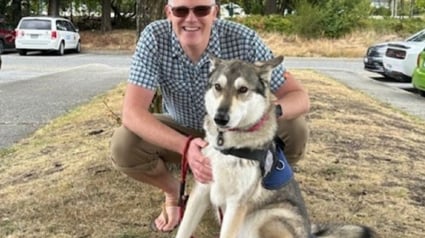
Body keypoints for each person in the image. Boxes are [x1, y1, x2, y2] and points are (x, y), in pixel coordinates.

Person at [110, 0, 310, 233]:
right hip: (181, 127)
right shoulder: (154, 37)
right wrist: (184, 146)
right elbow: (132, 113)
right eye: (181, 10)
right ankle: (174, 192)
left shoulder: (243, 39)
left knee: (295, 128)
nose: (191, 19)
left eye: (201, 10)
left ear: (215, 11)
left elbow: (299, 97)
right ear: (168, 13)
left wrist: (266, 115)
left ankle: (262, 187)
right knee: (125, 145)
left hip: (237, 131)